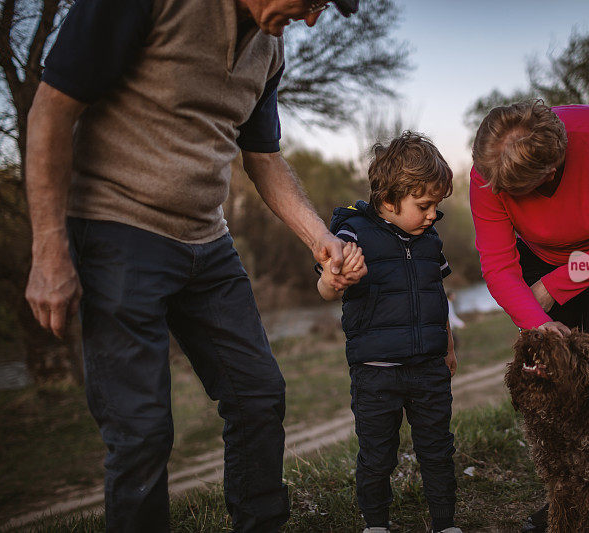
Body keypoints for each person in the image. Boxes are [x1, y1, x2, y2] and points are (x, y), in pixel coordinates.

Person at [24, 0, 361, 531]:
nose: (312, 20)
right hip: (118, 232)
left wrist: (320, 238)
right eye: (311, 1)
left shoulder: (270, 49)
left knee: (258, 396)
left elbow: (264, 157)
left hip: (208, 242)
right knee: (140, 431)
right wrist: (48, 250)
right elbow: (51, 108)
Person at [469, 100, 589, 532]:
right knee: (553, 379)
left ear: (549, 172)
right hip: (539, 255)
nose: (496, 193)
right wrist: (537, 320)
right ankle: (568, 502)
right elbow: (498, 266)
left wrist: (553, 287)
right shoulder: (489, 170)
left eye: (511, 191)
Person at [316, 132, 462, 533]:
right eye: (424, 205)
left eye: (437, 206)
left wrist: (447, 347)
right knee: (378, 454)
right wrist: (336, 279)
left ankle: (444, 522)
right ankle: (376, 523)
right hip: (376, 373)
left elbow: (438, 295)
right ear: (389, 199)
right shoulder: (352, 234)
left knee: (437, 449)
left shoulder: (430, 240)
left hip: (429, 368)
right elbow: (325, 287)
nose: (433, 214)